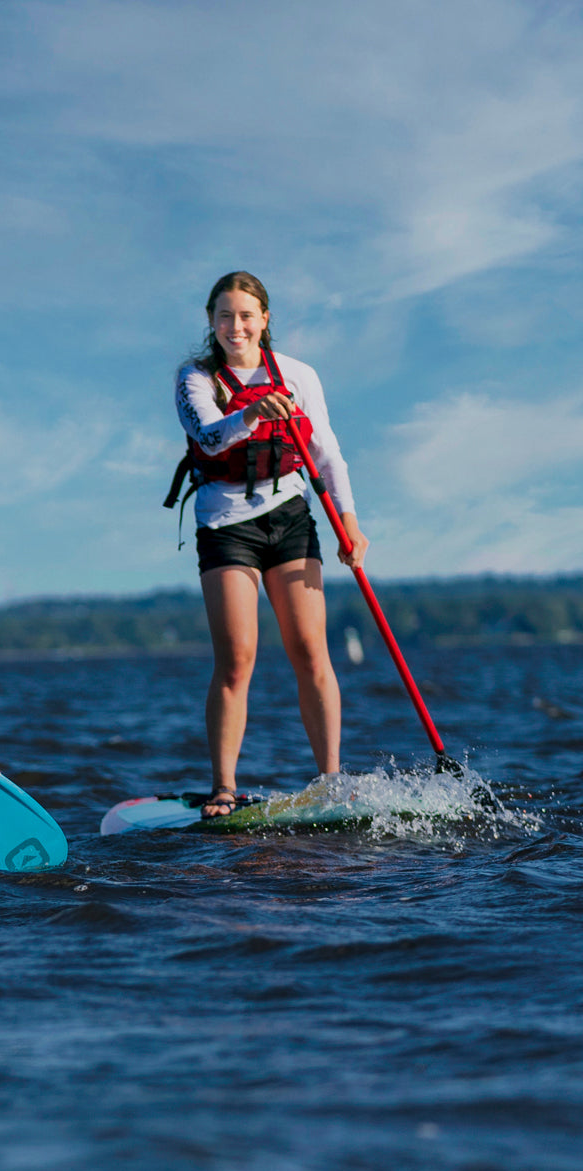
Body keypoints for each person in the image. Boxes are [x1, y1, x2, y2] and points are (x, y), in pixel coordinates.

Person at [172, 271, 368, 818]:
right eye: (225, 316)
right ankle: (223, 789)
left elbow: (328, 454)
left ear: (264, 319)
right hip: (225, 521)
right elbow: (210, 436)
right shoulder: (196, 379)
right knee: (237, 659)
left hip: (291, 516)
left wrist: (349, 525)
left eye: (246, 315)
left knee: (311, 650)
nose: (236, 326)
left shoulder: (299, 375)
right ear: (211, 321)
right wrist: (253, 412)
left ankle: (331, 780)